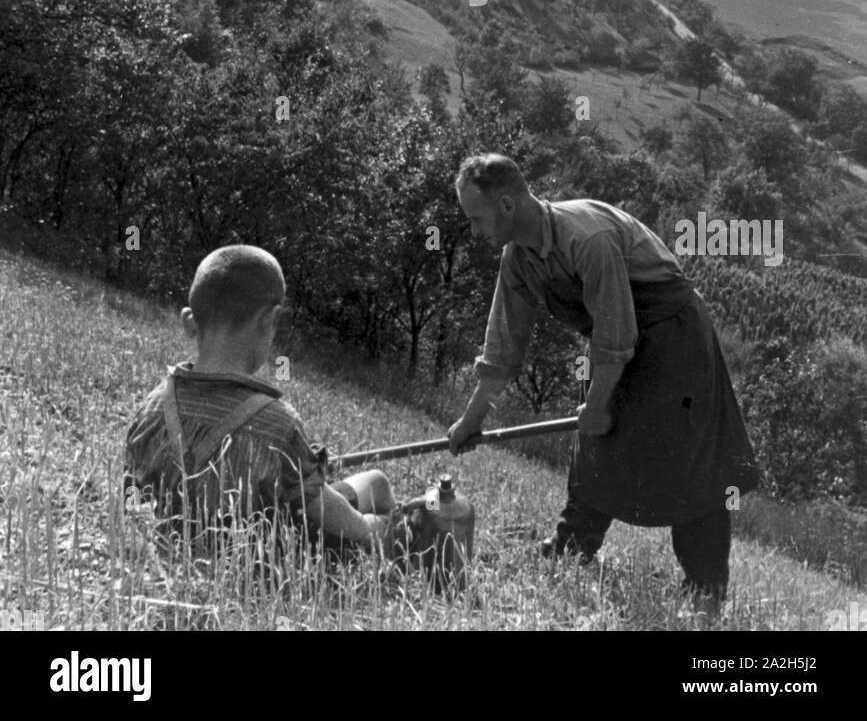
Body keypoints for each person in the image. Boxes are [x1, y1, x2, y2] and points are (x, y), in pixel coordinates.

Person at [448, 154, 759, 610]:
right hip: (616, 342)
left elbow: (616, 336)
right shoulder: (517, 260)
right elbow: (502, 350)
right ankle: (572, 546)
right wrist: (469, 421)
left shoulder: (586, 237)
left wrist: (596, 405)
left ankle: (705, 589)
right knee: (593, 443)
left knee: (688, 461)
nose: (474, 231)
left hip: (674, 337)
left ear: (509, 206)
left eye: (477, 219)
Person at [124, 244, 397, 565]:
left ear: (189, 321)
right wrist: (367, 528)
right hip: (264, 560)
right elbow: (319, 508)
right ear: (270, 320)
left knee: (374, 482)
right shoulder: (277, 423)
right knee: (383, 510)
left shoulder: (151, 406)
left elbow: (132, 499)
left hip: (173, 545)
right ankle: (397, 553)